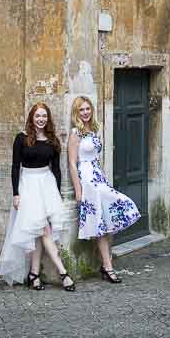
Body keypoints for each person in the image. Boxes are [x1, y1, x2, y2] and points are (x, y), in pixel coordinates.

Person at [0, 102, 75, 291]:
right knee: (44, 230)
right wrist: (15, 194)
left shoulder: (53, 140)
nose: (41, 119)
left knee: (40, 233)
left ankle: (34, 275)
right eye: (38, 116)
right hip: (28, 186)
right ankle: (63, 273)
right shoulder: (21, 139)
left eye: (44, 116)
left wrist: (56, 193)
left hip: (46, 186)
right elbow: (15, 168)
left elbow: (56, 169)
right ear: (32, 117)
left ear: (48, 118)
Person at [68, 95, 141, 283]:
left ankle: (105, 263)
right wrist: (78, 190)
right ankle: (108, 267)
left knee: (111, 217)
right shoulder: (75, 133)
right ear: (76, 113)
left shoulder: (93, 130)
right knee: (100, 224)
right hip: (87, 180)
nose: (85, 112)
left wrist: (104, 177)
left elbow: (96, 158)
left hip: (98, 177)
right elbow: (72, 163)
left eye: (87, 109)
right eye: (81, 110)